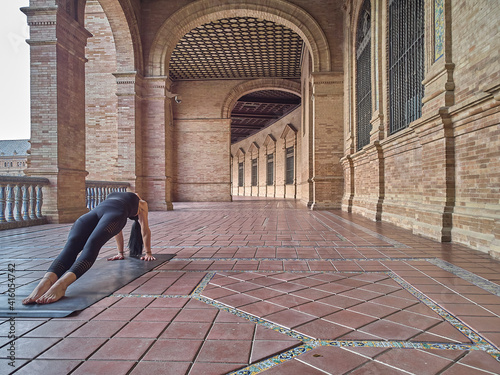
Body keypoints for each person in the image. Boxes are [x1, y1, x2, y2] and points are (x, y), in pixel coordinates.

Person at [22, 191, 155, 305]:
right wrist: (148, 252)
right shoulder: (141, 203)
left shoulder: (116, 196)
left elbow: (117, 231)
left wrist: (120, 253)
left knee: (71, 246)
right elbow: (144, 229)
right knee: (92, 245)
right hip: (114, 215)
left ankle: (46, 281)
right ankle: (61, 285)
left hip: (90, 215)